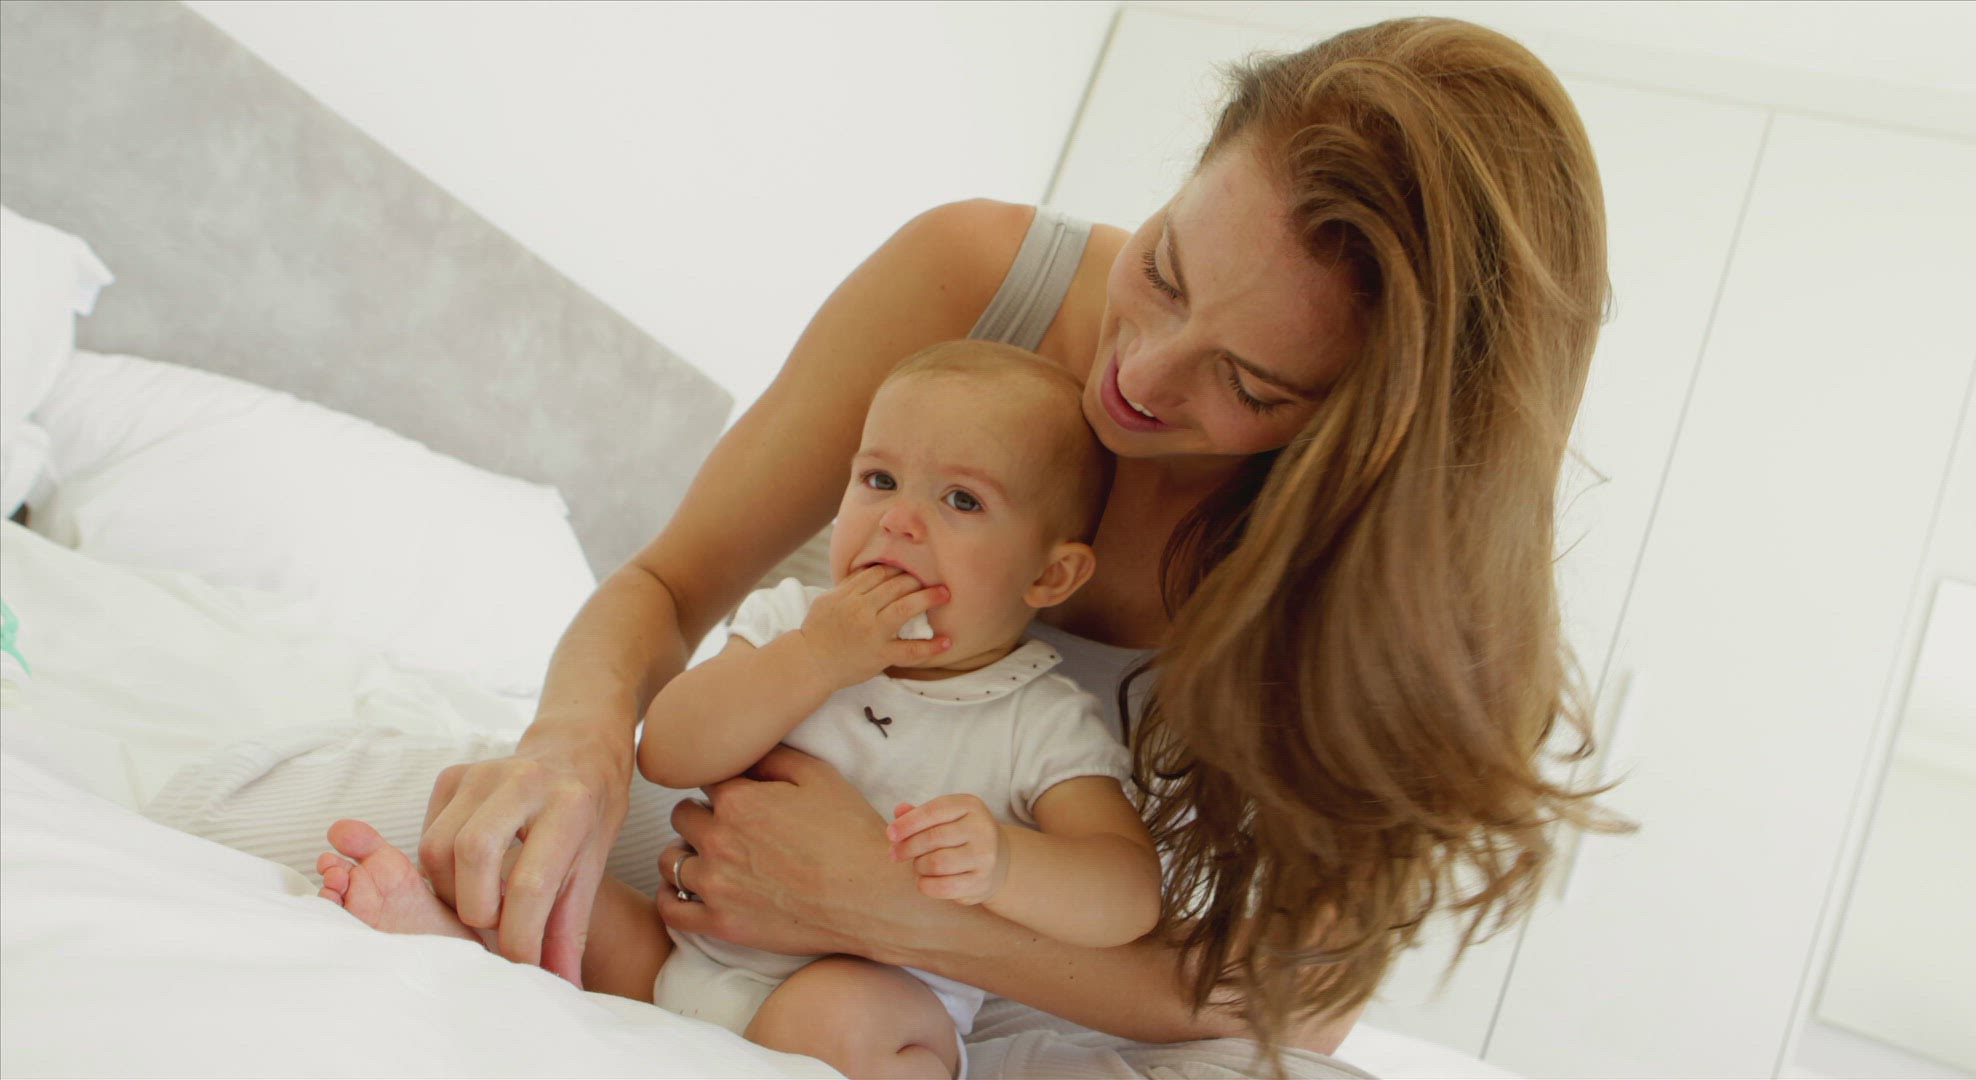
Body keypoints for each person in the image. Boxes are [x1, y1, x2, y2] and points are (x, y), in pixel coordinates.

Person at [409, 16, 1617, 1069]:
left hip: (992, 974)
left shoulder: (1379, 581)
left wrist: (891, 911)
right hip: (724, 872)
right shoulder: (980, 283)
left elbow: (1292, 1002)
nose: (1138, 376)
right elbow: (670, 589)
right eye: (1163, 269)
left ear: (1366, 435)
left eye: (1247, 384)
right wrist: (571, 751)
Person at [314, 341, 1156, 1079]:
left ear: (1050, 576)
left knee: (841, 1019)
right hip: (678, 960)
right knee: (531, 855)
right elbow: (669, 749)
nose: (899, 520)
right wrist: (815, 657)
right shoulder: (794, 622)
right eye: (879, 479)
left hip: (866, 1005)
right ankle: (462, 951)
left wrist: (1007, 864)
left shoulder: (1039, 718)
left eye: (961, 500)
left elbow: (1126, 892)